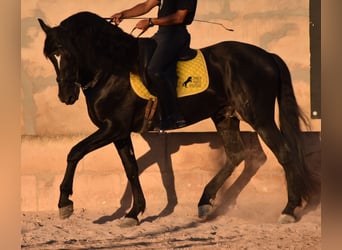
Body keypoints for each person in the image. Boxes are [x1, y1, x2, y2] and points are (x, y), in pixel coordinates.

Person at [111, 0, 197, 130]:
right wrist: (123, 14)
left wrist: (151, 22)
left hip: (176, 35)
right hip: (162, 34)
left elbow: (180, 17)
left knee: (154, 70)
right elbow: (146, 5)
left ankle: (174, 116)